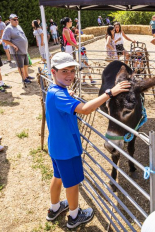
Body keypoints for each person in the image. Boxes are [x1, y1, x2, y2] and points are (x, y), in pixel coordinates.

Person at [45, 52, 130, 228]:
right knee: (73, 183)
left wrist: (68, 94)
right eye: (64, 72)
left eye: (72, 71)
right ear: (53, 72)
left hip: (56, 146)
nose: (69, 75)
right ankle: (75, 216)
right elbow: (85, 109)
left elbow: (63, 101)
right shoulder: (60, 95)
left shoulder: (56, 92)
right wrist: (109, 93)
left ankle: (54, 209)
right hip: (67, 149)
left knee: (58, 176)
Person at [2, 14, 33, 84]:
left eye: (17, 19)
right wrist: (13, 45)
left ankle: (27, 76)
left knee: (26, 64)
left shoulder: (18, 26)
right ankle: (24, 78)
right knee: (20, 65)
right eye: (14, 20)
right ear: (10, 20)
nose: (16, 21)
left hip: (24, 50)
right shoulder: (8, 28)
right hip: (17, 51)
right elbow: (4, 39)